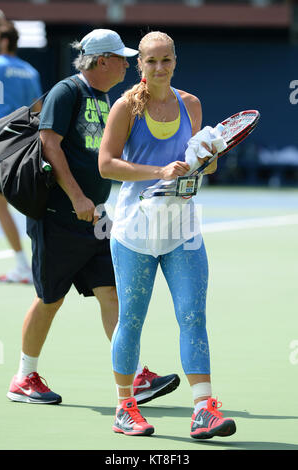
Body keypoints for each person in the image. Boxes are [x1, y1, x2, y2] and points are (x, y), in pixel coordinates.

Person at [6, 29, 180, 406]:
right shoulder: (67, 91)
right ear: (102, 61)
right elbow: (49, 144)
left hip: (95, 218)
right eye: (121, 58)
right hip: (58, 215)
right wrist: (77, 197)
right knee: (50, 298)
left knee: (111, 291)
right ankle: (24, 376)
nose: (126, 64)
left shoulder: (103, 97)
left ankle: (133, 375)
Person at [99, 31, 237, 439]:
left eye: (166, 60)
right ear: (139, 65)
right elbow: (106, 164)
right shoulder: (125, 107)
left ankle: (203, 409)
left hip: (183, 229)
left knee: (193, 316)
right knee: (132, 321)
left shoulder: (190, 104)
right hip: (134, 230)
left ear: (175, 61)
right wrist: (158, 172)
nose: (159, 68)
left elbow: (201, 167)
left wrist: (206, 161)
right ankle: (125, 407)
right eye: (151, 61)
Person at [0, 20, 42, 284]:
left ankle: (23, 266)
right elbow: (37, 108)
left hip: (0, 141)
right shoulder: (31, 70)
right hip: (25, 143)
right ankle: (35, 264)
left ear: (4, 41)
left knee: (1, 206)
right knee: (30, 204)